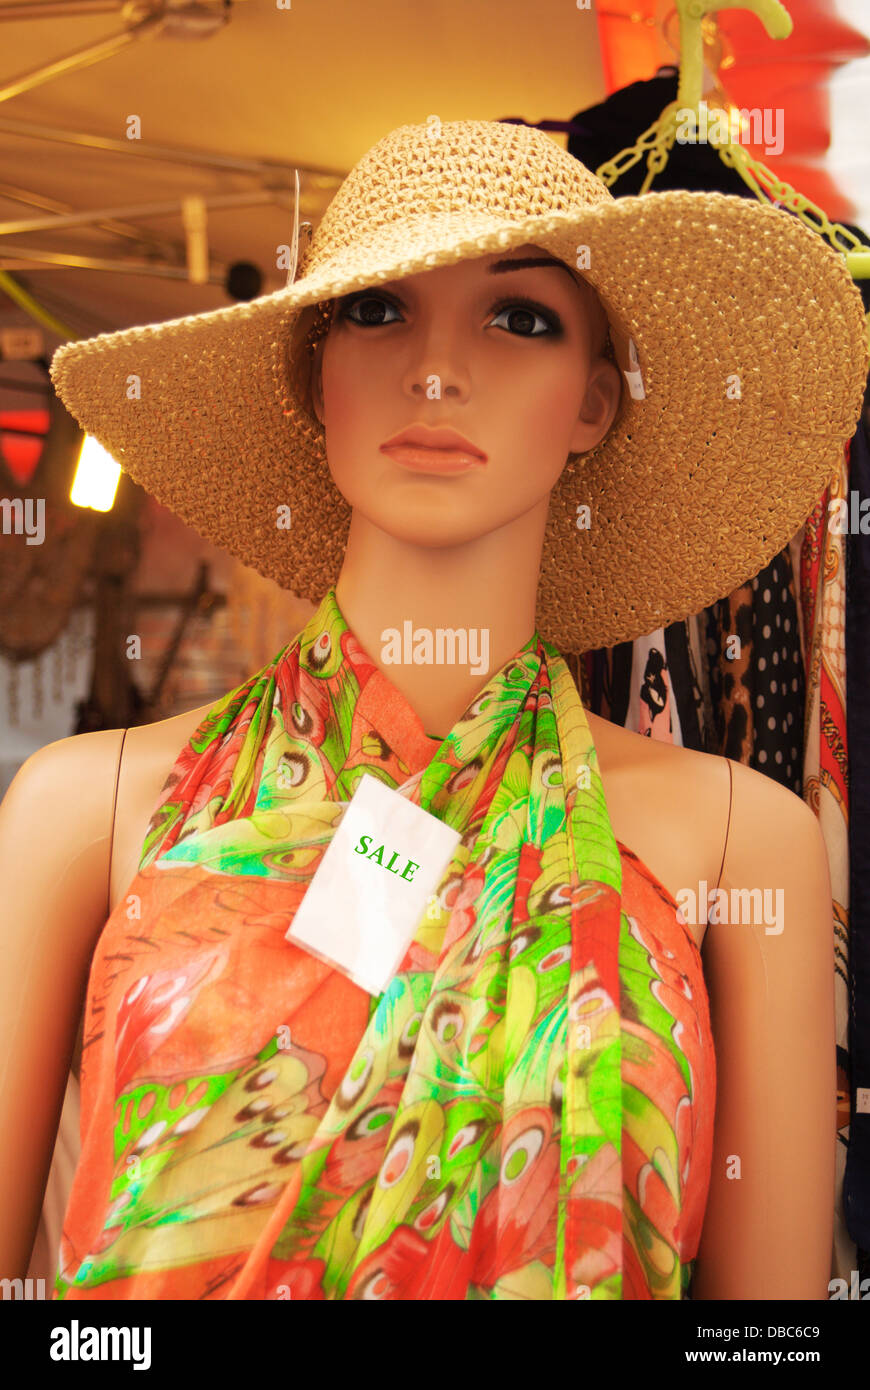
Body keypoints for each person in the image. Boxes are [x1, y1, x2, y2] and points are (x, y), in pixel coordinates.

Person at [1, 118, 866, 1300]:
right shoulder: (83, 810)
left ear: (595, 404)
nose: (437, 368)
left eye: (520, 319)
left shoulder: (732, 839)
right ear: (316, 377)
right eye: (376, 309)